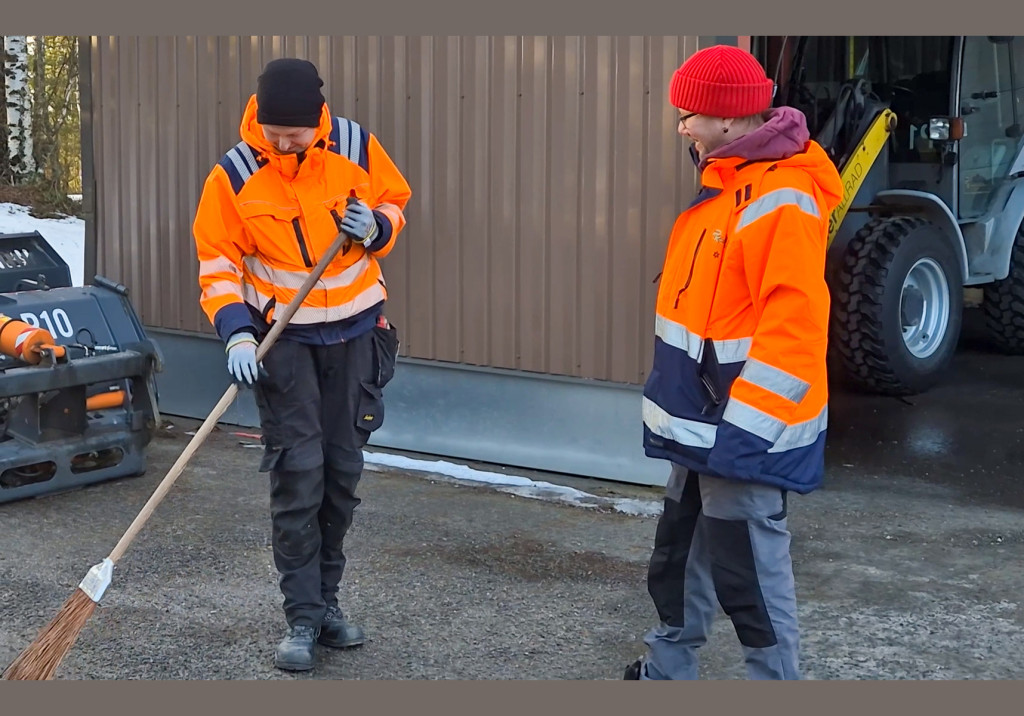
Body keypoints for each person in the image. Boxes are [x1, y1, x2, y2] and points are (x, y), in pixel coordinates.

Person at [625, 45, 842, 680]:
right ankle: (668, 670)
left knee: (748, 570)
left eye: (688, 114)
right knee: (677, 554)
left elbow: (794, 333)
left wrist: (747, 433)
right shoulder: (724, 192)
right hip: (701, 423)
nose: (682, 126)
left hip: (742, 430)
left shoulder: (783, 199)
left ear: (725, 118)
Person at [192, 57, 411, 672]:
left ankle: (329, 606)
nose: (283, 144)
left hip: (358, 338)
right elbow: (218, 262)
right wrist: (235, 333)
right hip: (283, 344)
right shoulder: (235, 174)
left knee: (341, 475)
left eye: (294, 133)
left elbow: (395, 202)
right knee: (299, 477)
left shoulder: (354, 146)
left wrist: (376, 228)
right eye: (273, 133)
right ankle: (301, 618)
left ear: (317, 116)